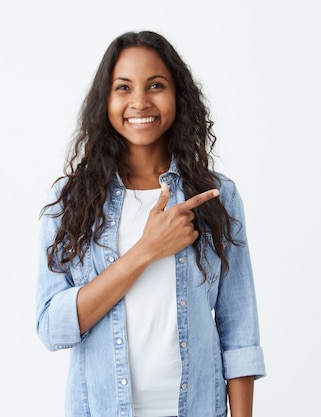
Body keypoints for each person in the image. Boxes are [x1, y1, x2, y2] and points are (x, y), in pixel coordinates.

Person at [35, 30, 266, 417]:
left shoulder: (217, 197)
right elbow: (53, 329)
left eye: (155, 85)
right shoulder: (70, 202)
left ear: (178, 95)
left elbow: (239, 332)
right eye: (123, 87)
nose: (139, 101)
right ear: (105, 101)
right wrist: (146, 250)